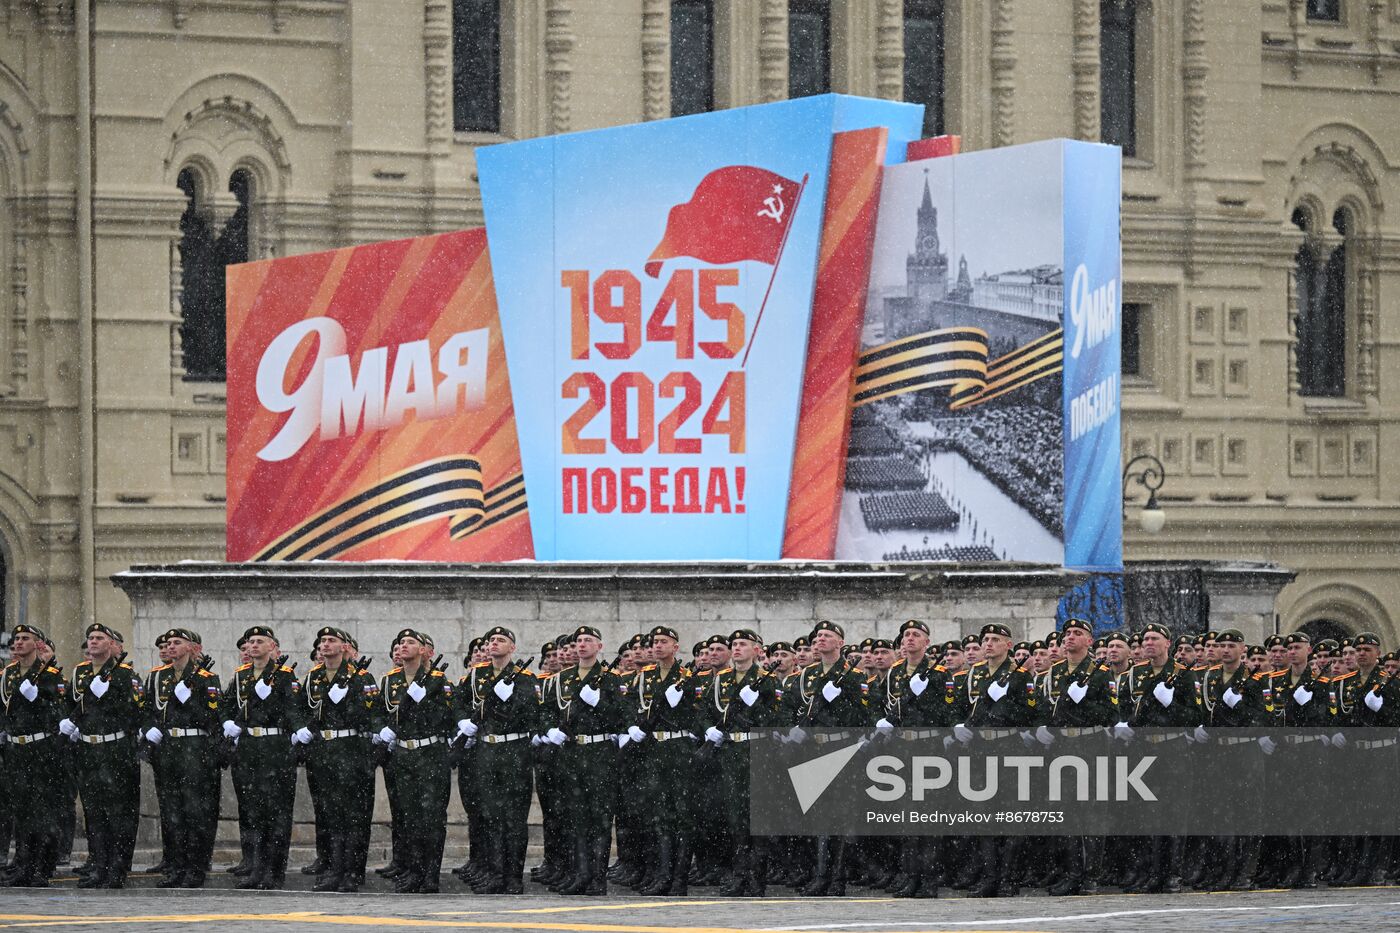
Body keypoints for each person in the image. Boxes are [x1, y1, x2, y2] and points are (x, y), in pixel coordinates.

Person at [220, 625, 306, 890]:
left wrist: (292, 724)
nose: (254, 645)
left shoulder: (284, 676)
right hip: (248, 747)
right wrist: (227, 723)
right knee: (253, 811)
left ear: (272, 647)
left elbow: (295, 710)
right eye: (251, 642)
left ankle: (274, 871)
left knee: (276, 813)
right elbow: (226, 706)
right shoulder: (241, 675)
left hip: (275, 747)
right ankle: (256, 869)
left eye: (260, 641)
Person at [954, 622, 1036, 898]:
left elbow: (1030, 715)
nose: (988, 644)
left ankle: (1008, 878)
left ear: (1008, 645)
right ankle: (990, 877)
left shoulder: (1021, 675)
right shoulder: (974, 674)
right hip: (980, 749)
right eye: (985, 639)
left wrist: (1005, 705)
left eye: (994, 639)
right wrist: (961, 726)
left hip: (1008, 747)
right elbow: (963, 707)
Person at [545, 624, 627, 896]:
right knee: (575, 818)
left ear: (599, 646)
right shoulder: (562, 678)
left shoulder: (611, 679)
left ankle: (597, 879)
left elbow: (621, 718)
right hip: (571, 751)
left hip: (600, 752)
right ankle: (581, 874)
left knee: (600, 819)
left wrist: (599, 704)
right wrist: (550, 731)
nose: (582, 644)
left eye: (588, 640)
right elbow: (547, 712)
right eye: (579, 640)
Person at [793, 620, 873, 897]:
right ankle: (821, 875)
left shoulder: (852, 675)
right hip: (814, 750)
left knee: (839, 817)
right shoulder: (810, 674)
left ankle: (836, 878)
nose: (820, 639)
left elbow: (863, 718)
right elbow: (802, 709)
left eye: (827, 635)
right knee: (819, 818)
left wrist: (839, 701)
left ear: (840, 642)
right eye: (818, 636)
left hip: (841, 748)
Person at [458, 626, 540, 894]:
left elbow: (531, 712)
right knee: (490, 817)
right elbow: (460, 703)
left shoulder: (525, 677)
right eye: (491, 640)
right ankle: (494, 875)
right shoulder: (476, 675)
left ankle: (514, 877)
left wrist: (511, 699)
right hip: (486, 751)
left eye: (501, 640)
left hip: (514, 750)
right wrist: (462, 722)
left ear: (512, 648)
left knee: (515, 818)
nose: (494, 643)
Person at [704, 628, 781, 897]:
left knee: (757, 819)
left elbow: (777, 719)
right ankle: (739, 876)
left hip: (756, 750)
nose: (736, 648)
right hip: (729, 752)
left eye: (743, 644)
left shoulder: (765, 680)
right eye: (734, 644)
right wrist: (708, 730)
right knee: (735, 819)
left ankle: (756, 879)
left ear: (757, 650)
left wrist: (756, 705)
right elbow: (704, 711)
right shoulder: (721, 679)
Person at [142, 627, 221, 888]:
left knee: (194, 811)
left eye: (177, 642)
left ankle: (195, 869)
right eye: (169, 643)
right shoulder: (157, 678)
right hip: (168, 748)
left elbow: (212, 718)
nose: (172, 646)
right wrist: (148, 728)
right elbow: (146, 709)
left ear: (190, 648)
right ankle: (175, 868)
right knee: (172, 812)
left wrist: (191, 702)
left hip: (194, 748)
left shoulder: (206, 678)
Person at [302, 626, 378, 892]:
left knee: (354, 817)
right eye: (322, 641)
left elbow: (371, 716)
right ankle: (334, 870)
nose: (325, 645)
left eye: (331, 640)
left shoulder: (361, 676)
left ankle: (353, 873)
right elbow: (304, 709)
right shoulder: (313, 676)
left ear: (345, 647)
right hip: (324, 751)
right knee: (331, 816)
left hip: (351, 750)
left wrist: (347, 702)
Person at [377, 628, 453, 893]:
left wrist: (426, 705)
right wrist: (382, 729)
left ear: (423, 650)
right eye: (401, 642)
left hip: (430, 754)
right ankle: (413, 871)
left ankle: (430, 875)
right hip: (403, 754)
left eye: (411, 642)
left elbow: (447, 719)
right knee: (408, 817)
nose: (404, 645)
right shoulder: (390, 681)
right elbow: (378, 712)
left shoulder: (438, 680)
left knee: (431, 818)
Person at [628, 624, 696, 896]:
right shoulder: (643, 677)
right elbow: (631, 707)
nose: (657, 646)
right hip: (653, 749)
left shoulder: (689, 676)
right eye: (655, 641)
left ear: (675, 647)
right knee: (658, 818)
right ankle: (662, 874)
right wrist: (632, 726)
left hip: (678, 749)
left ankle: (679, 879)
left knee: (681, 817)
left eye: (664, 641)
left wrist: (684, 702)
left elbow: (699, 715)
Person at [0, 625, 67, 887]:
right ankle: (24, 866)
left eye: (25, 639)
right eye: (16, 639)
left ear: (38, 645)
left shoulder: (50, 675)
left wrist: (38, 698)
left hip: (40, 750)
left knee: (42, 812)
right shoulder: (8, 674)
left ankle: (41, 867)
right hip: (16, 750)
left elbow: (60, 714)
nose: (18, 643)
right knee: (22, 811)